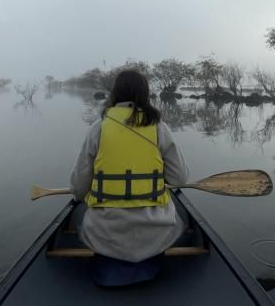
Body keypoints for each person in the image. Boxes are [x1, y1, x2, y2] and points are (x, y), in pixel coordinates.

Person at [70, 69, 190, 285]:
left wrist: (83, 193)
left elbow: (78, 187)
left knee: (85, 217)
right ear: (145, 95)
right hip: (157, 231)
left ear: (115, 94)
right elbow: (180, 179)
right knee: (175, 219)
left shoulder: (98, 128)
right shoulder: (160, 128)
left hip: (104, 231)